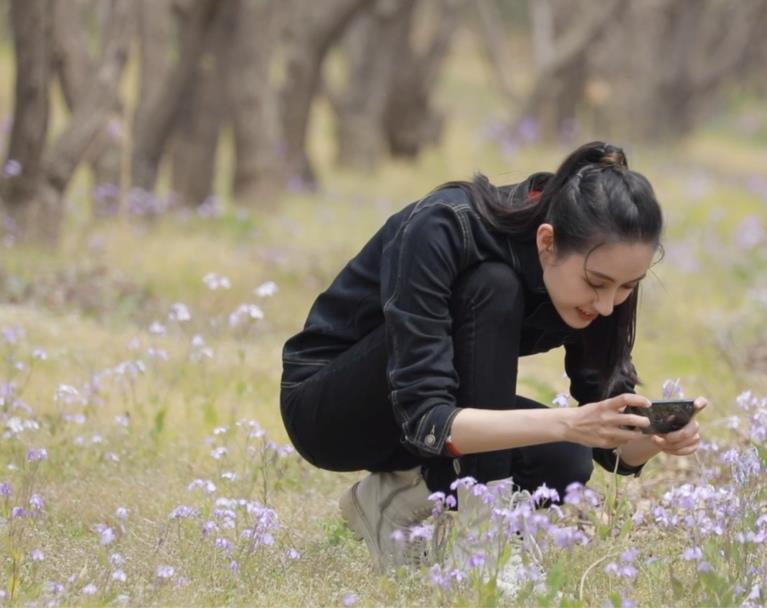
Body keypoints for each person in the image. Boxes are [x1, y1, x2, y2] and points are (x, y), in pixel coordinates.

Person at [279, 141, 709, 569]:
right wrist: (569, 422)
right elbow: (425, 419)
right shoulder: (446, 225)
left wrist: (649, 440)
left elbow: (609, 443)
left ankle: (394, 498)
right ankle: (485, 544)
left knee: (564, 460)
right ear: (547, 242)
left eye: (628, 287)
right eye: (597, 283)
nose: (606, 305)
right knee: (494, 286)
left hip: (420, 419)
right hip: (331, 409)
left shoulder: (606, 268)